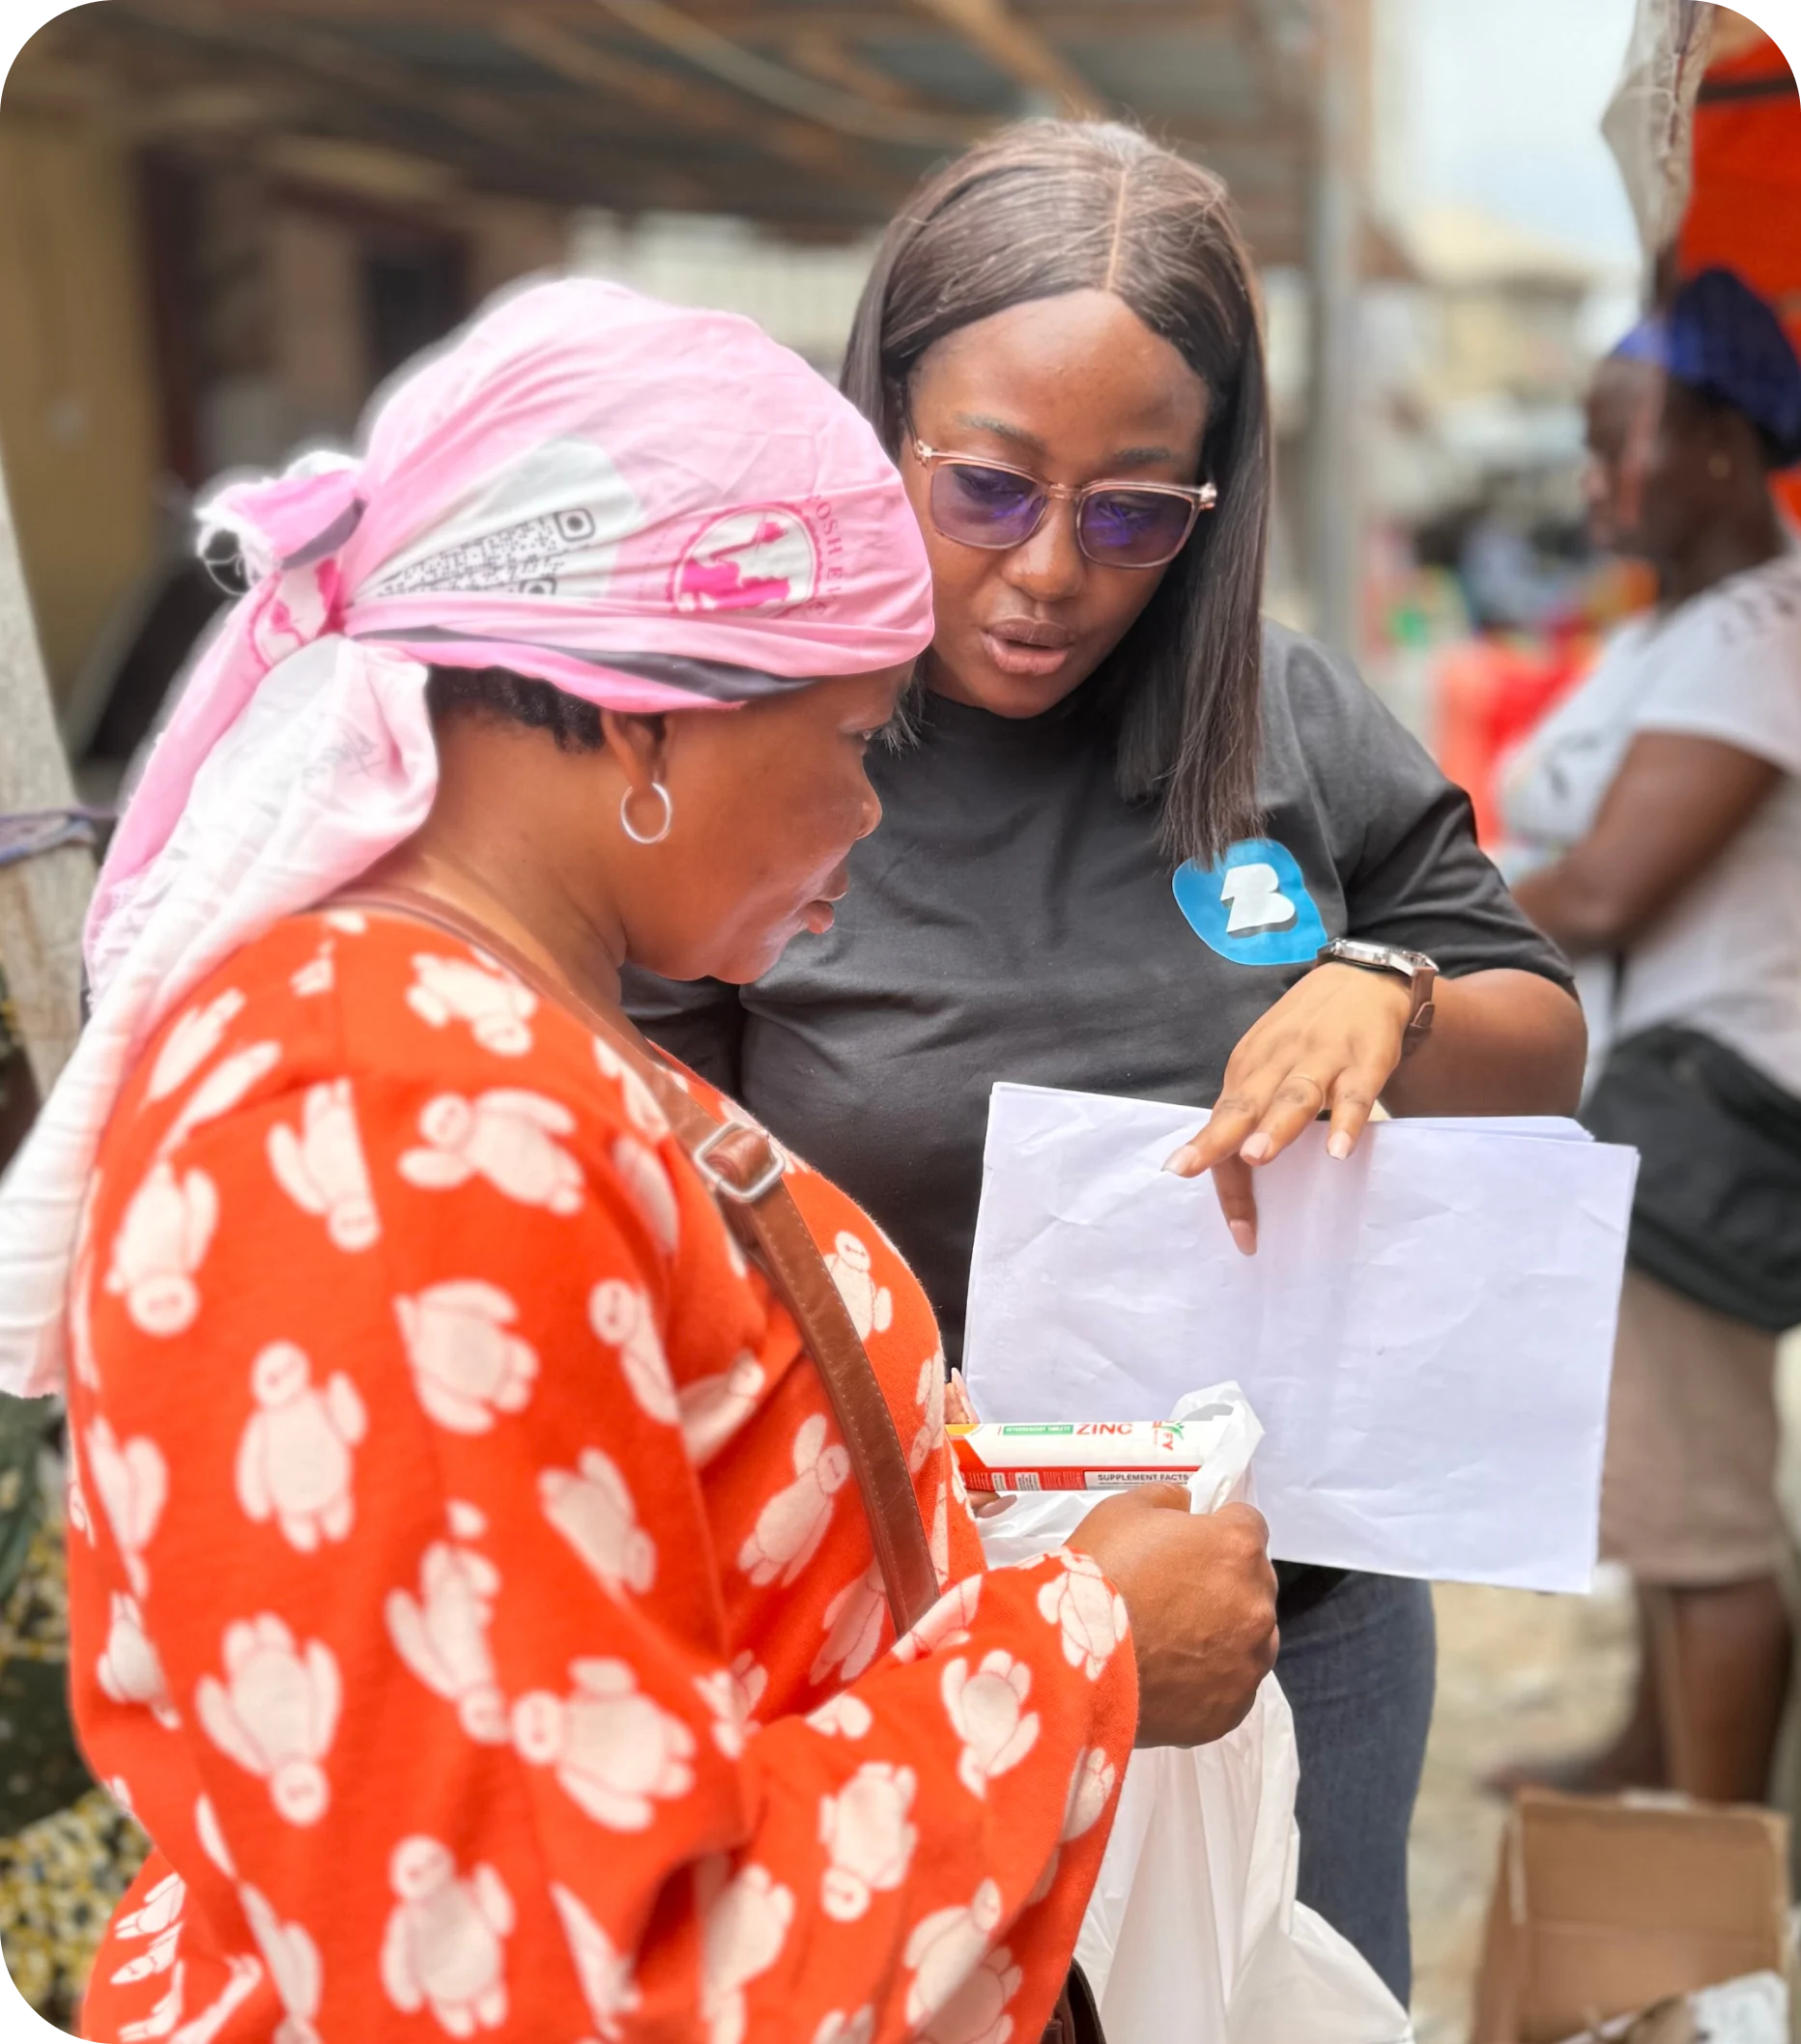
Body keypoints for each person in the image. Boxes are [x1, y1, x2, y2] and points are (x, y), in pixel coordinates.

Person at [0, 279, 1280, 2042]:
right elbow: (543, 1968)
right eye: (846, 740)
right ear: (633, 720)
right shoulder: (386, 1119)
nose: (863, 816)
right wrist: (1083, 1665)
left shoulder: (472, 1045)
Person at [626, 120, 1587, 2000]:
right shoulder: (757, 753)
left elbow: (1537, 1033)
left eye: (1135, 512)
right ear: (875, 424)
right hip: (896, 1632)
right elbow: (650, 1195)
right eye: (986, 488)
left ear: (1212, 497)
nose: (1052, 571)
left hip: (1284, 1612)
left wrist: (1380, 986)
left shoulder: (1278, 720)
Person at [1506, 268, 1801, 1804]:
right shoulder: (1677, 629)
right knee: (1659, 1484)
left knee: (1708, 1519)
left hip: (1713, 1106)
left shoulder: (1768, 632)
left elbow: (1614, 883)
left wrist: (1445, 913)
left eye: (1618, 438)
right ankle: (1652, 1758)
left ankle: (1715, 1877)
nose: (1594, 474)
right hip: (1651, 1099)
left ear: (1723, 451)